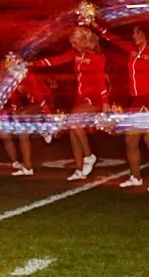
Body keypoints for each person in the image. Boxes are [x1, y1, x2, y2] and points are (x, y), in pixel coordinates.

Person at [96, 23, 149, 192]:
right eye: (134, 34)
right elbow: (113, 39)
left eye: (137, 33)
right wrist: (95, 24)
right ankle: (135, 177)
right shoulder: (131, 51)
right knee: (130, 139)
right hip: (136, 100)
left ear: (145, 35)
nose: (134, 37)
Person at [33, 27, 109, 181]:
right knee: (73, 130)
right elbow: (54, 61)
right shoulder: (74, 55)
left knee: (73, 121)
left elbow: (102, 80)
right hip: (81, 98)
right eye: (72, 43)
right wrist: (32, 64)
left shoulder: (96, 57)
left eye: (75, 42)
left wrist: (105, 103)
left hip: (95, 97)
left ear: (84, 40)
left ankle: (89, 155)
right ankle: (79, 169)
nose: (73, 45)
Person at [5, 69, 54, 176]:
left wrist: (48, 114)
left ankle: (44, 126)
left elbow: (40, 95)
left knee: (22, 114)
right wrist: (14, 110)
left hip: (45, 102)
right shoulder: (12, 80)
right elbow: (13, 98)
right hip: (33, 104)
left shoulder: (29, 76)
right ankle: (28, 168)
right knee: (22, 133)